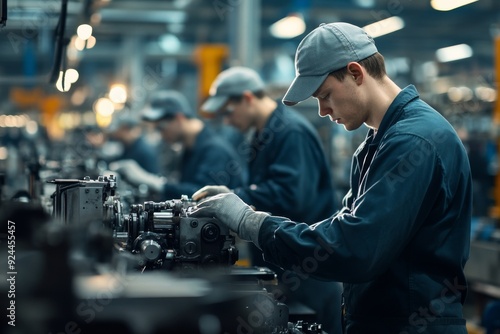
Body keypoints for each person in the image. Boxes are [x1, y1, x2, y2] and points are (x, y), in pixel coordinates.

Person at [190, 22, 472, 333]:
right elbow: (342, 228)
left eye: (325, 95)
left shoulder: (413, 141)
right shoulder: (376, 143)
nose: (323, 110)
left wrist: (253, 223)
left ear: (355, 73)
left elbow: (356, 247)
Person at [193, 66, 343, 334]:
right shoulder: (264, 135)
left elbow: (292, 196)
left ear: (248, 98)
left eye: (228, 112)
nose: (226, 121)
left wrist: (237, 199)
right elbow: (266, 187)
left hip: (309, 271)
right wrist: (234, 194)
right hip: (285, 264)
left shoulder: (290, 133)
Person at [110, 90, 245, 199]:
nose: (160, 135)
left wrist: (153, 182)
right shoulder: (189, 149)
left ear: (179, 118)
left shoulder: (214, 150)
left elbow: (202, 195)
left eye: (161, 128)